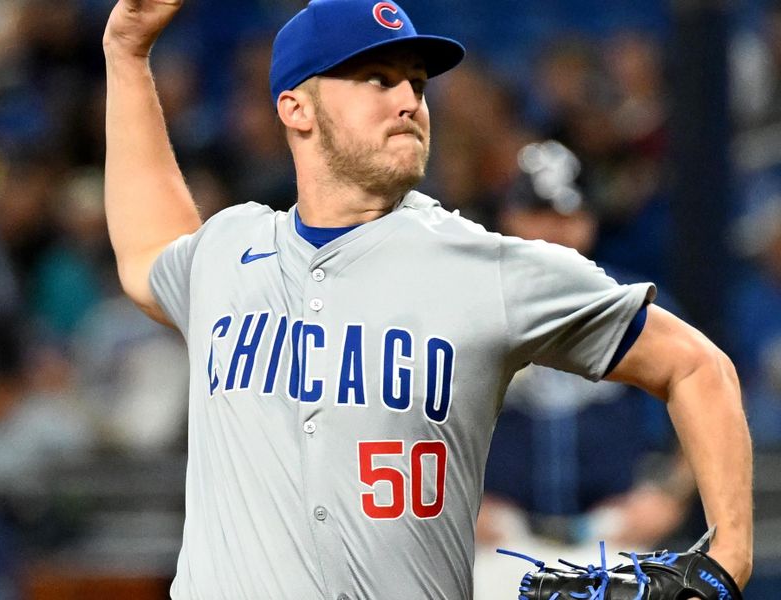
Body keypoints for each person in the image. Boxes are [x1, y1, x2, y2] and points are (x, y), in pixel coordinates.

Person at [102, 1, 753, 598]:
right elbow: (147, 248)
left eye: (416, 81)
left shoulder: (485, 266)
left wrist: (729, 559)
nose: (409, 100)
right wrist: (127, 55)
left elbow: (696, 365)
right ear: (295, 107)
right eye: (378, 80)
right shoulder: (230, 250)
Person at [473, 141, 696, 599]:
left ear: (589, 223)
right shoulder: (470, 307)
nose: (554, 231)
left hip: (612, 536)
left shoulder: (634, 306)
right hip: (497, 538)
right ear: (509, 219)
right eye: (538, 214)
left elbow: (705, 401)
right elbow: (413, 416)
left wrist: (668, 498)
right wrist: (452, 507)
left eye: (566, 216)